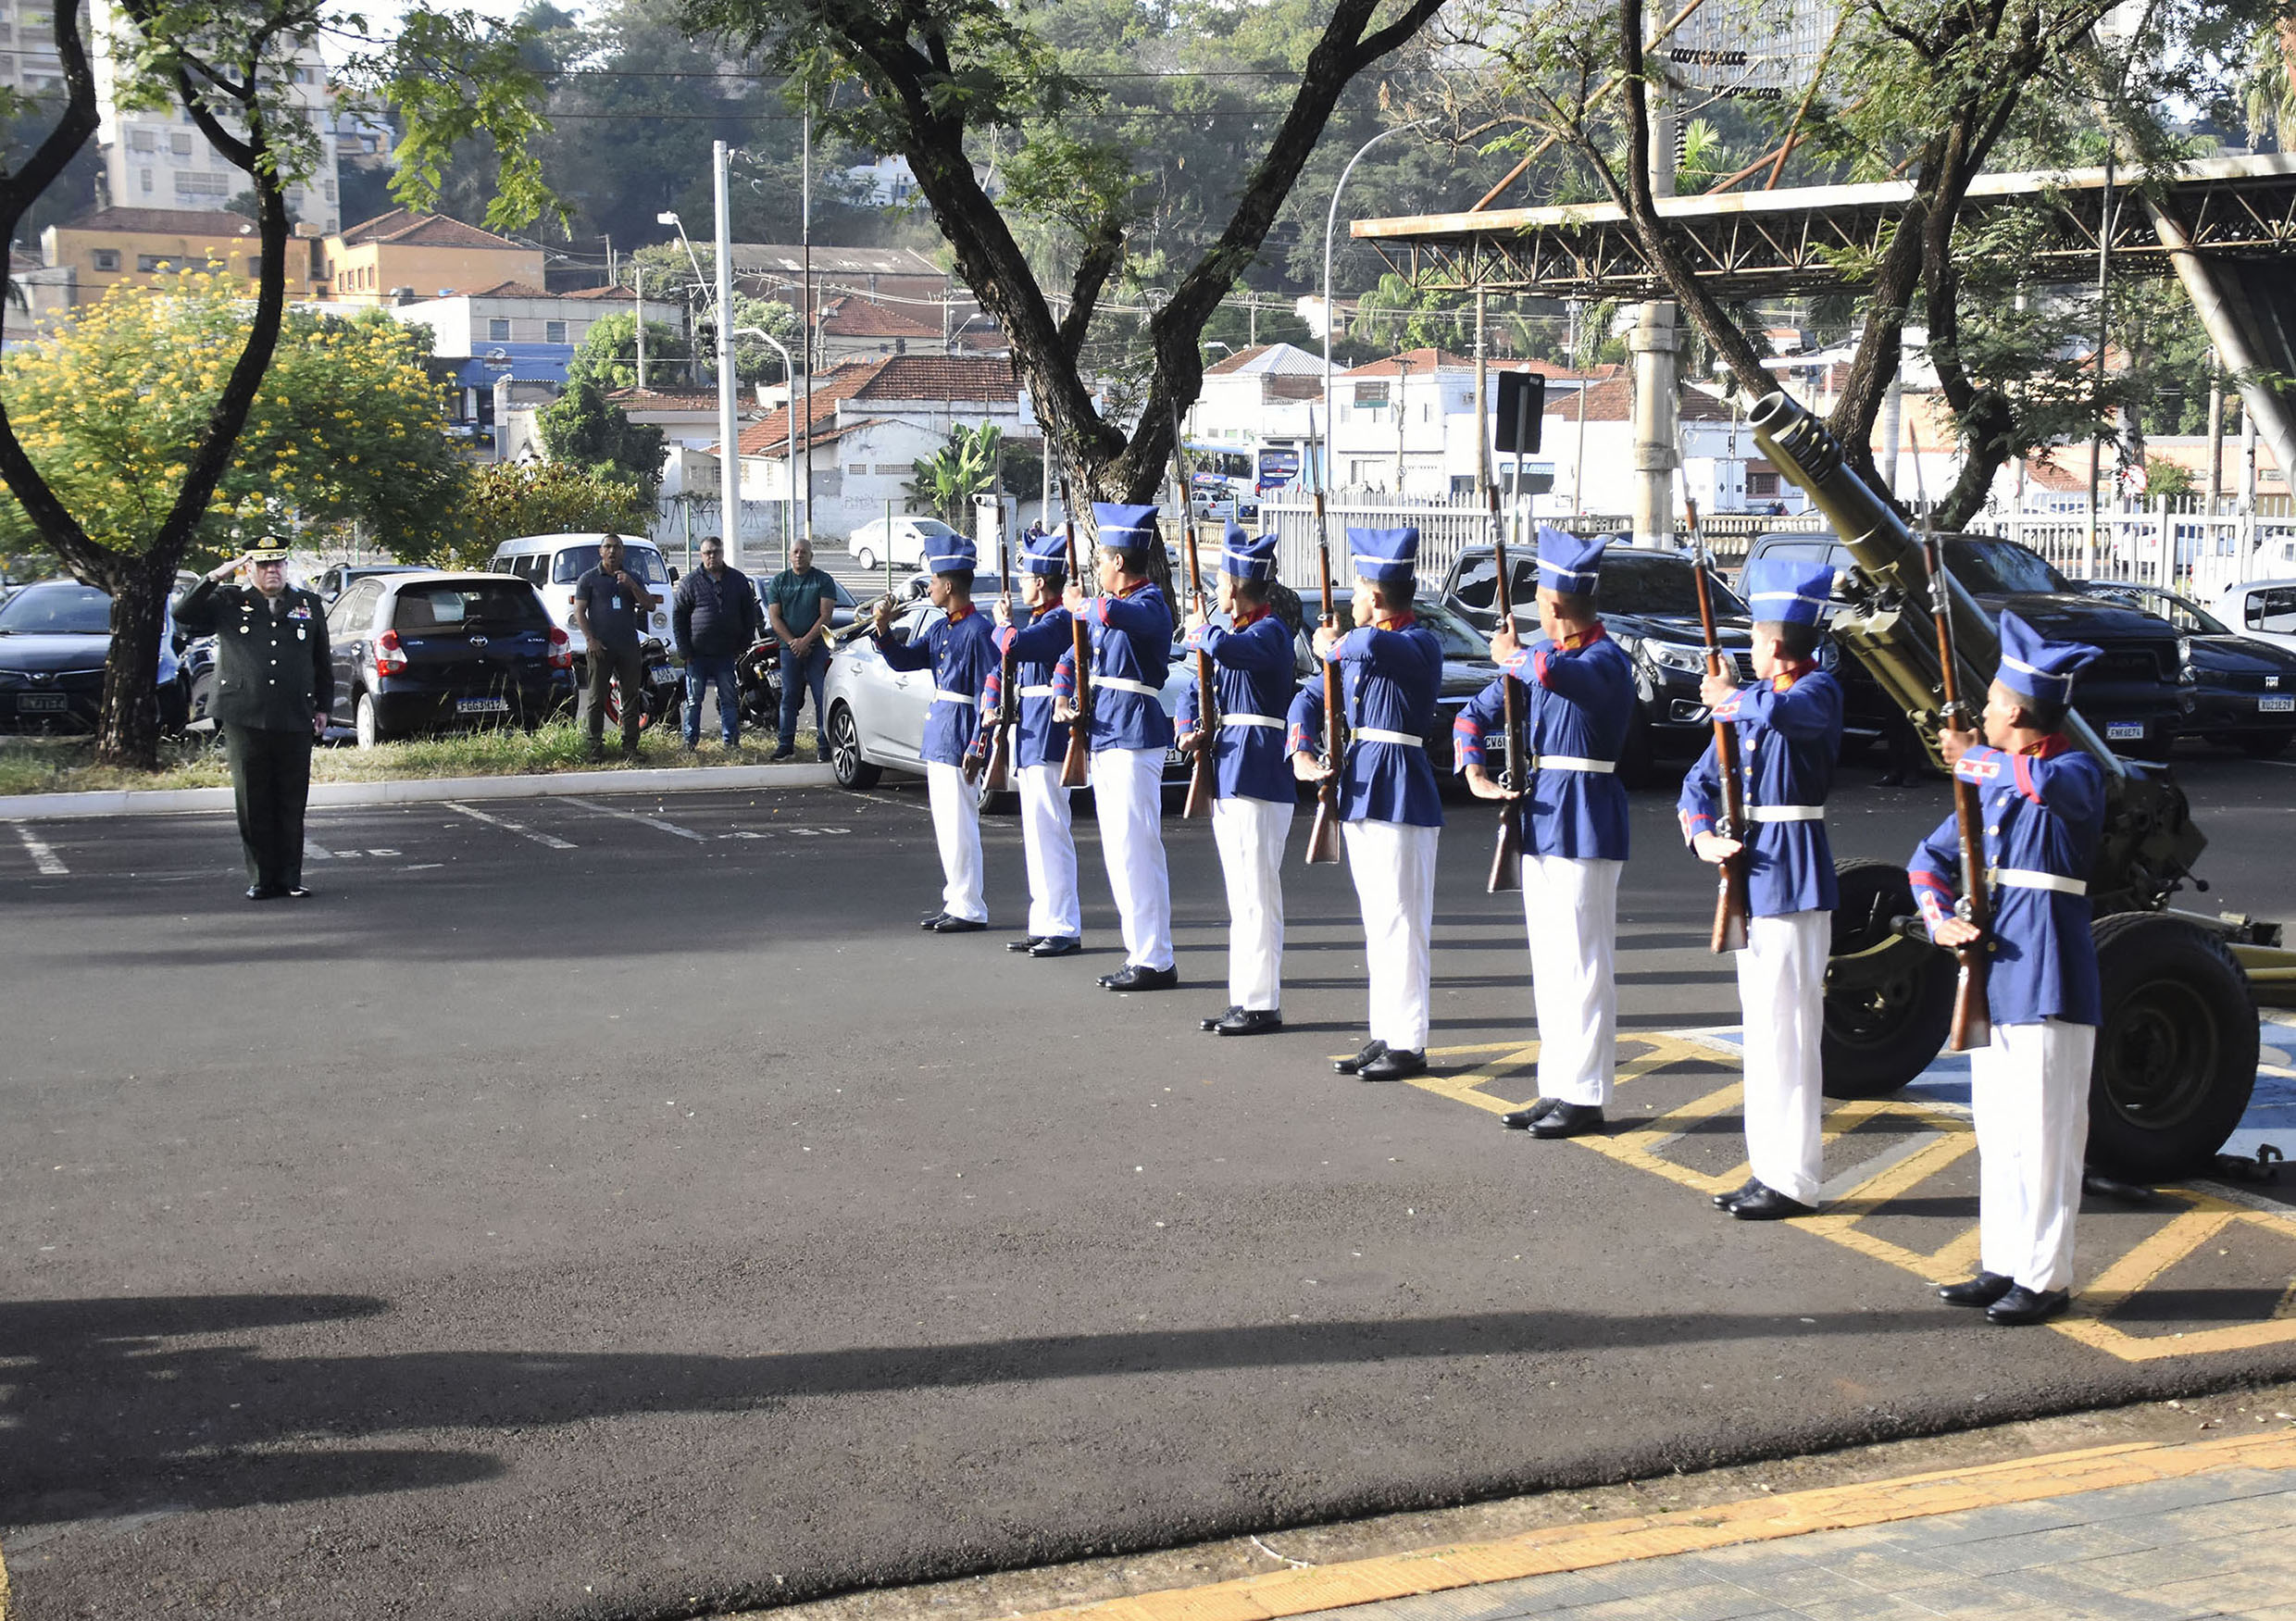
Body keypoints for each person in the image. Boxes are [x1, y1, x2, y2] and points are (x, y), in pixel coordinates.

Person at [1909, 611, 2106, 1327]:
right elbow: (1924, 861)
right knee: (1998, 1127)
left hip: (2049, 973)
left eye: (1992, 702)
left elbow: (2059, 790)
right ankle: (2004, 1261)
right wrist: (1940, 919)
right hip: (1993, 972)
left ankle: (2046, 1277)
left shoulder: (2071, 769)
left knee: (2049, 1134)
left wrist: (1974, 760)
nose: (1983, 713)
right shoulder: (1995, 780)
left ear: (2017, 711)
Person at [1455, 526, 1634, 1137]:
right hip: (1541, 819)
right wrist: (1473, 765)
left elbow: (1559, 676)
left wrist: (1513, 656)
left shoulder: (1605, 660)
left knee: (1585, 963)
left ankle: (1585, 1092)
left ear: (1552, 605)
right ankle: (1557, 1083)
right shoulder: (1540, 661)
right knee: (1552, 962)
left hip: (1586, 817)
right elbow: (1473, 712)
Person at [1680, 557, 1845, 1218]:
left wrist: (1727, 698)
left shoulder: (1815, 691)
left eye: (1753, 638)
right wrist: (1700, 836)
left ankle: (1796, 1177)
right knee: (1763, 1028)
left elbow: (1786, 715)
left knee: (1793, 1031)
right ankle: (1766, 1167)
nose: (1748, 649)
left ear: (1776, 644)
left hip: (1794, 872)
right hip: (1749, 870)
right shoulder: (1753, 700)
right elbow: (1696, 781)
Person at [1288, 526, 1444, 1081]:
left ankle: (1410, 1041)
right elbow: (1306, 700)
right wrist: (1302, 751)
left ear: (1376, 597)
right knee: (1378, 921)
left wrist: (1331, 645)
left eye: (1356, 590)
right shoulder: (1359, 645)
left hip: (1401, 787)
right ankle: (1386, 1032)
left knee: (1403, 920)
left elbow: (1372, 645)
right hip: (1360, 787)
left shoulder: (1416, 643)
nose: (1350, 600)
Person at [1179, 526, 1297, 1036]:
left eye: (1222, 581)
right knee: (1240, 895)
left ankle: (1262, 1001)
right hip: (1230, 767)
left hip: (1259, 770)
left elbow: (1230, 652)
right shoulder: (1233, 633)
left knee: (1257, 893)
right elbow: (1196, 686)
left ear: (1237, 586)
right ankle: (1244, 996)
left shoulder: (1268, 632)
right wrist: (1188, 728)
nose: (1218, 590)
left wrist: (1203, 631)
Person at [1055, 503, 1179, 991]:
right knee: (1117, 849)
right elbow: (1074, 653)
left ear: (1120, 563)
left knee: (1137, 848)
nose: (1097, 570)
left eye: (1101, 560)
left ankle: (1155, 956)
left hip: (1134, 733)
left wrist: (1078, 605)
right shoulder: (1112, 606)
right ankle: (1140, 952)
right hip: (1106, 732)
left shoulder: (1149, 605)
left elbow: (1105, 613)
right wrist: (1063, 692)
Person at [171, 540, 331, 901]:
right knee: (252, 798)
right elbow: (183, 613)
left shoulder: (308, 603)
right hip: (243, 714)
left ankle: (290, 877)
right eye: (262, 566)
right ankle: (261, 877)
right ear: (249, 570)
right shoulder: (229, 601)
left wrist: (322, 707)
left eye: (277, 564)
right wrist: (217, 574)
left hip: (293, 713)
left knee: (291, 798)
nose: (271, 571)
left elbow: (320, 659)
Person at [872, 530, 1000, 932]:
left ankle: (970, 905)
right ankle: (956, 898)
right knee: (947, 824)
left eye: (932, 581)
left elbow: (989, 692)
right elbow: (904, 661)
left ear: (948, 585)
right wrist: (883, 629)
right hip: (941, 731)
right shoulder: (944, 628)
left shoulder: (978, 630)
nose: (928, 588)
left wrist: (980, 742)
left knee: (961, 824)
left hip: (960, 731)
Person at [987, 526, 1083, 957]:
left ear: (1041, 582)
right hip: (1030, 732)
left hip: (1048, 734)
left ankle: (1063, 925)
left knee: (1051, 831)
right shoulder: (1045, 618)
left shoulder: (1060, 620)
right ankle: (1044, 919)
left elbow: (1016, 647)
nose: (1022, 585)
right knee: (1036, 834)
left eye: (1025, 578)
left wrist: (1003, 623)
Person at [572, 532, 658, 762]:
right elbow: (579, 612)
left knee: (630, 697)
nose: (612, 551)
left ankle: (630, 747)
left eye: (617, 547)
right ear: (601, 552)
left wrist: (632, 586)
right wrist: (590, 639)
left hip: (628, 646)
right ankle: (594, 749)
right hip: (600, 647)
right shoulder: (589, 579)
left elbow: (649, 605)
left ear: (623, 552)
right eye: (608, 547)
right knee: (596, 698)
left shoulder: (632, 577)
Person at [672, 535, 762, 750]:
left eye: (715, 552)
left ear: (722, 553)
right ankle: (689, 742)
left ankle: (731, 742)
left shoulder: (738, 580)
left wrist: (744, 644)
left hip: (726, 654)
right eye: (707, 553)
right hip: (697, 654)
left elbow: (749, 615)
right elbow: (678, 617)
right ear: (701, 555)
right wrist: (684, 649)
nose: (711, 556)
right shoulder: (690, 582)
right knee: (694, 701)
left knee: (729, 700)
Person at [766, 537, 840, 760]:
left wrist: (806, 641)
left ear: (811, 556)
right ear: (790, 555)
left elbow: (825, 615)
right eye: (795, 552)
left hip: (817, 647)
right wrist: (793, 643)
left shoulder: (823, 580)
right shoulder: (779, 581)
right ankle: (785, 744)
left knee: (821, 696)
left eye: (803, 552)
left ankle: (824, 746)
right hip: (789, 649)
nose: (799, 555)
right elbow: (775, 618)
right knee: (789, 696)